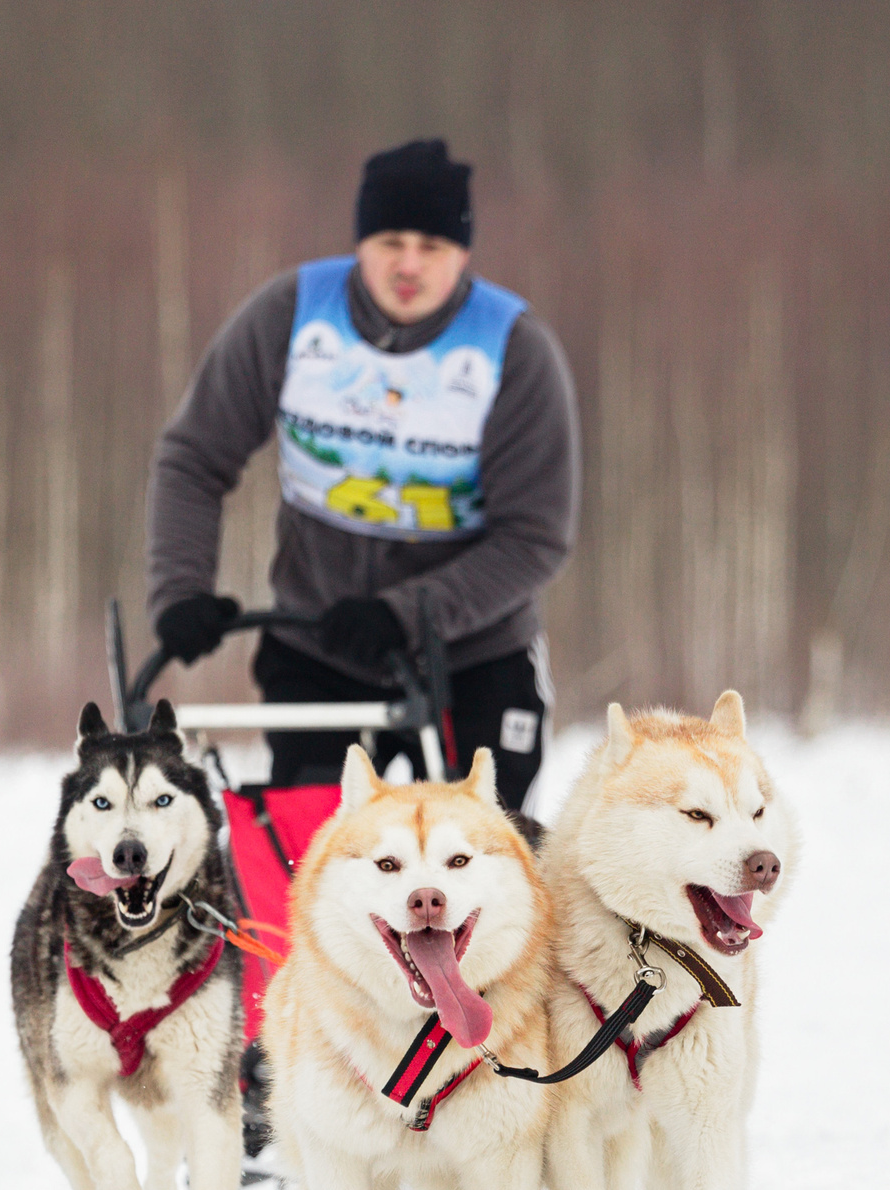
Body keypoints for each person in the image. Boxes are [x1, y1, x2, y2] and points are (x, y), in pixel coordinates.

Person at [144, 138, 578, 812]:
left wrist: (406, 614)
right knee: (314, 857)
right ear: (360, 241)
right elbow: (193, 458)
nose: (409, 265)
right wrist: (182, 592)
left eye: (432, 246)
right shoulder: (290, 317)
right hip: (320, 644)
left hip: (471, 654)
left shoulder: (514, 351)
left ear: (463, 253)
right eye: (390, 242)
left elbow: (535, 538)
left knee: (481, 854)